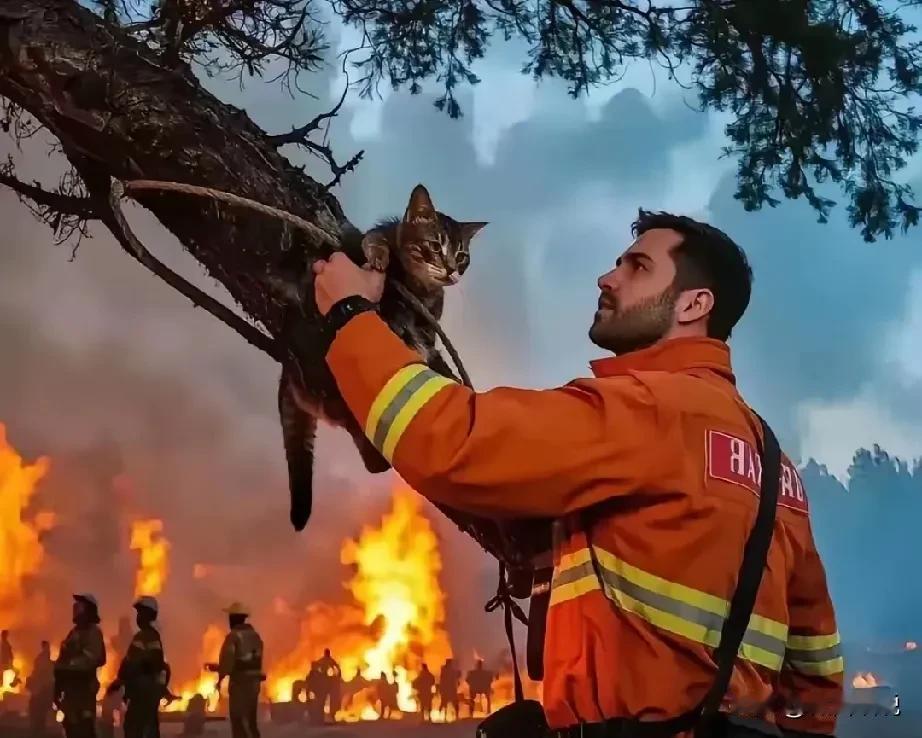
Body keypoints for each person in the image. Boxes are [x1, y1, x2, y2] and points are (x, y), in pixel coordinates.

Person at [310, 210, 844, 738]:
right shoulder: (774, 466)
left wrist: (350, 313)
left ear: (694, 305)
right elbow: (816, 670)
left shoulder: (646, 409)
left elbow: (447, 437)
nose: (606, 278)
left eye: (637, 267)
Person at [107, 596, 169, 738]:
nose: (139, 617)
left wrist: (132, 672)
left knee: (141, 730)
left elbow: (154, 661)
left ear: (151, 615)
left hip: (145, 696)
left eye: (142, 613)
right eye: (138, 613)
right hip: (138, 695)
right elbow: (130, 661)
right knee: (133, 728)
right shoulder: (140, 636)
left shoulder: (151, 636)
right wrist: (121, 680)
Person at [206, 602, 264, 738]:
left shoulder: (234, 637)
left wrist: (219, 676)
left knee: (239, 722)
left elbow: (228, 663)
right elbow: (250, 661)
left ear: (234, 618)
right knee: (250, 722)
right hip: (254, 685)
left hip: (240, 685)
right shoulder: (255, 636)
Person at [54, 593, 107, 738]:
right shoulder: (73, 633)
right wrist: (57, 684)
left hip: (83, 688)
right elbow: (62, 659)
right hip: (69, 691)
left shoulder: (93, 633)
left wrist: (67, 667)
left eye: (80, 605)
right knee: (70, 726)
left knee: (83, 727)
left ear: (89, 610)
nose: (75, 608)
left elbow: (91, 659)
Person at [26, 640, 55, 736]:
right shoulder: (41, 660)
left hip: (43, 690)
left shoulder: (43, 660)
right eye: (47, 648)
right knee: (39, 714)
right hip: (42, 690)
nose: (48, 650)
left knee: (41, 714)